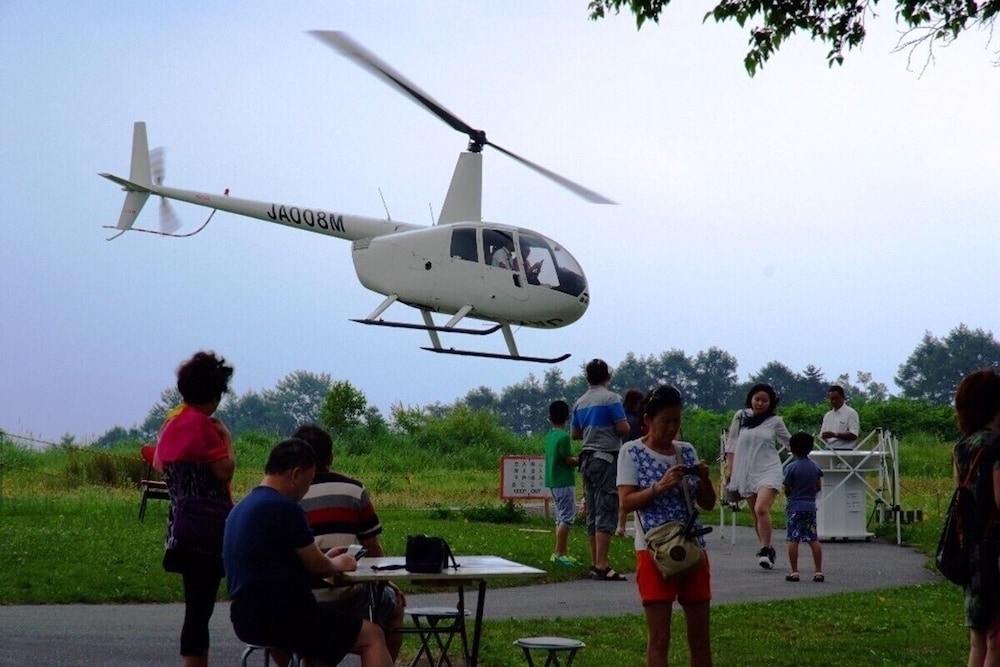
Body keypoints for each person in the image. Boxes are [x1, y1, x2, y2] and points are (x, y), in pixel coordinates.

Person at [223, 438, 393, 667]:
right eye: (309, 481)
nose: (306, 490)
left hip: (245, 617)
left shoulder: (241, 508)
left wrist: (325, 558)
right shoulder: (284, 507)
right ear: (296, 474)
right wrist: (340, 562)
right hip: (284, 617)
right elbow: (320, 567)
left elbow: (273, 566)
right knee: (372, 636)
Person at [618, 385, 716, 667]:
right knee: (659, 639)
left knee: (700, 639)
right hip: (654, 550)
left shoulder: (686, 451)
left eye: (677, 421)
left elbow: (708, 504)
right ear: (648, 420)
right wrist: (659, 487)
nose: (672, 428)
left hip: (692, 547)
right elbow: (626, 502)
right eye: (666, 421)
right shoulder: (631, 451)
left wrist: (705, 479)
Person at [292, 424, 407, 663]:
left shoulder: (287, 496)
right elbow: (372, 549)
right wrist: (386, 581)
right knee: (394, 605)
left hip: (303, 600)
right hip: (349, 599)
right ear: (331, 456)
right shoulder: (354, 490)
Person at [154, 350, 236, 667]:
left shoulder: (172, 422)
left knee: (196, 607)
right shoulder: (202, 426)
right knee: (199, 613)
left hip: (180, 526)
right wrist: (227, 439)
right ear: (213, 394)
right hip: (207, 529)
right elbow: (224, 471)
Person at [951, 369, 1000, 666]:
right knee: (997, 640)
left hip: (971, 548)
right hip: (996, 549)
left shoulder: (963, 445)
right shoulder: (997, 444)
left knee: (978, 640)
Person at [571, 358, 630, 581]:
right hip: (606, 457)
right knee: (606, 508)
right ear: (608, 375)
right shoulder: (611, 398)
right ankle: (602, 565)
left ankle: (595, 562)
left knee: (592, 510)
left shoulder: (580, 402)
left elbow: (575, 434)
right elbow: (623, 428)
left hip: (586, 459)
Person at [725, 382, 790, 570]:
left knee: (761, 509)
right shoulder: (741, 417)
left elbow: (789, 442)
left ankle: (764, 550)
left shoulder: (775, 421)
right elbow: (731, 444)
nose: (760, 403)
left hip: (769, 470)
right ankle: (767, 548)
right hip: (746, 471)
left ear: (771, 403)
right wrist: (730, 470)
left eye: (765, 400)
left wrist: (805, 457)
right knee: (755, 514)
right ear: (751, 399)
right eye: (757, 399)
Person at [782, 432, 824, 583]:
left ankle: (794, 572)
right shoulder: (815, 466)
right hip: (810, 507)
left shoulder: (791, 468)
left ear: (792, 449)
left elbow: (787, 488)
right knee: (813, 539)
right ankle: (818, 571)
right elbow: (818, 486)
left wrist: (790, 495)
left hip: (795, 506)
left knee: (794, 539)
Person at [544, 400, 580, 566]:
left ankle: (561, 552)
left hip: (553, 481)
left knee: (560, 518)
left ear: (550, 417)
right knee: (566, 518)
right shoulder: (564, 437)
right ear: (567, 417)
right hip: (564, 481)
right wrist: (580, 460)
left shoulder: (550, 435)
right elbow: (568, 459)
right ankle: (559, 554)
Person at [617, 388, 646, 537]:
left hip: (620, 456)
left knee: (623, 493)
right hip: (635, 456)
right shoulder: (637, 419)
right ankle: (632, 525)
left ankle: (620, 526)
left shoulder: (621, 416)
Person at [820, 385, 860, 450]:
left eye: (836, 398)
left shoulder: (851, 413)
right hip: (828, 450)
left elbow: (854, 435)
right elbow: (822, 434)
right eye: (831, 399)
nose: (834, 401)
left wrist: (834, 435)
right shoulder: (827, 415)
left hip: (845, 451)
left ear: (843, 397)